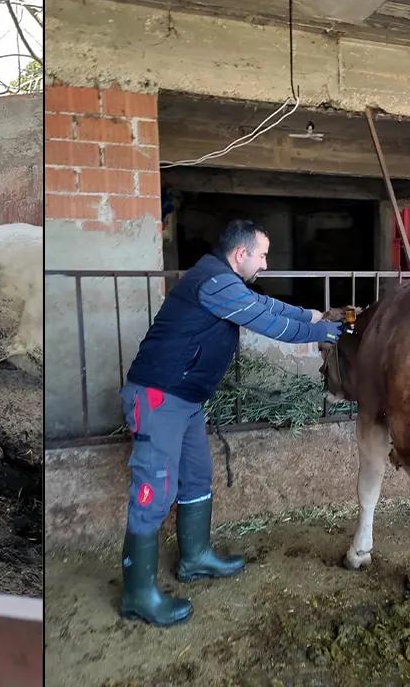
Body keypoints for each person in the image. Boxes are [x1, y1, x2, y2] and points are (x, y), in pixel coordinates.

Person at [118, 219, 342, 626]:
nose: (266, 263)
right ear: (241, 255)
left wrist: (308, 314)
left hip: (184, 400)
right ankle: (137, 593)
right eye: (263, 255)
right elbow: (267, 323)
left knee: (197, 476)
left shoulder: (223, 281)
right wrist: (321, 331)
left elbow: (267, 306)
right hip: (158, 397)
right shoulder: (215, 282)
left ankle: (196, 557)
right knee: (154, 487)